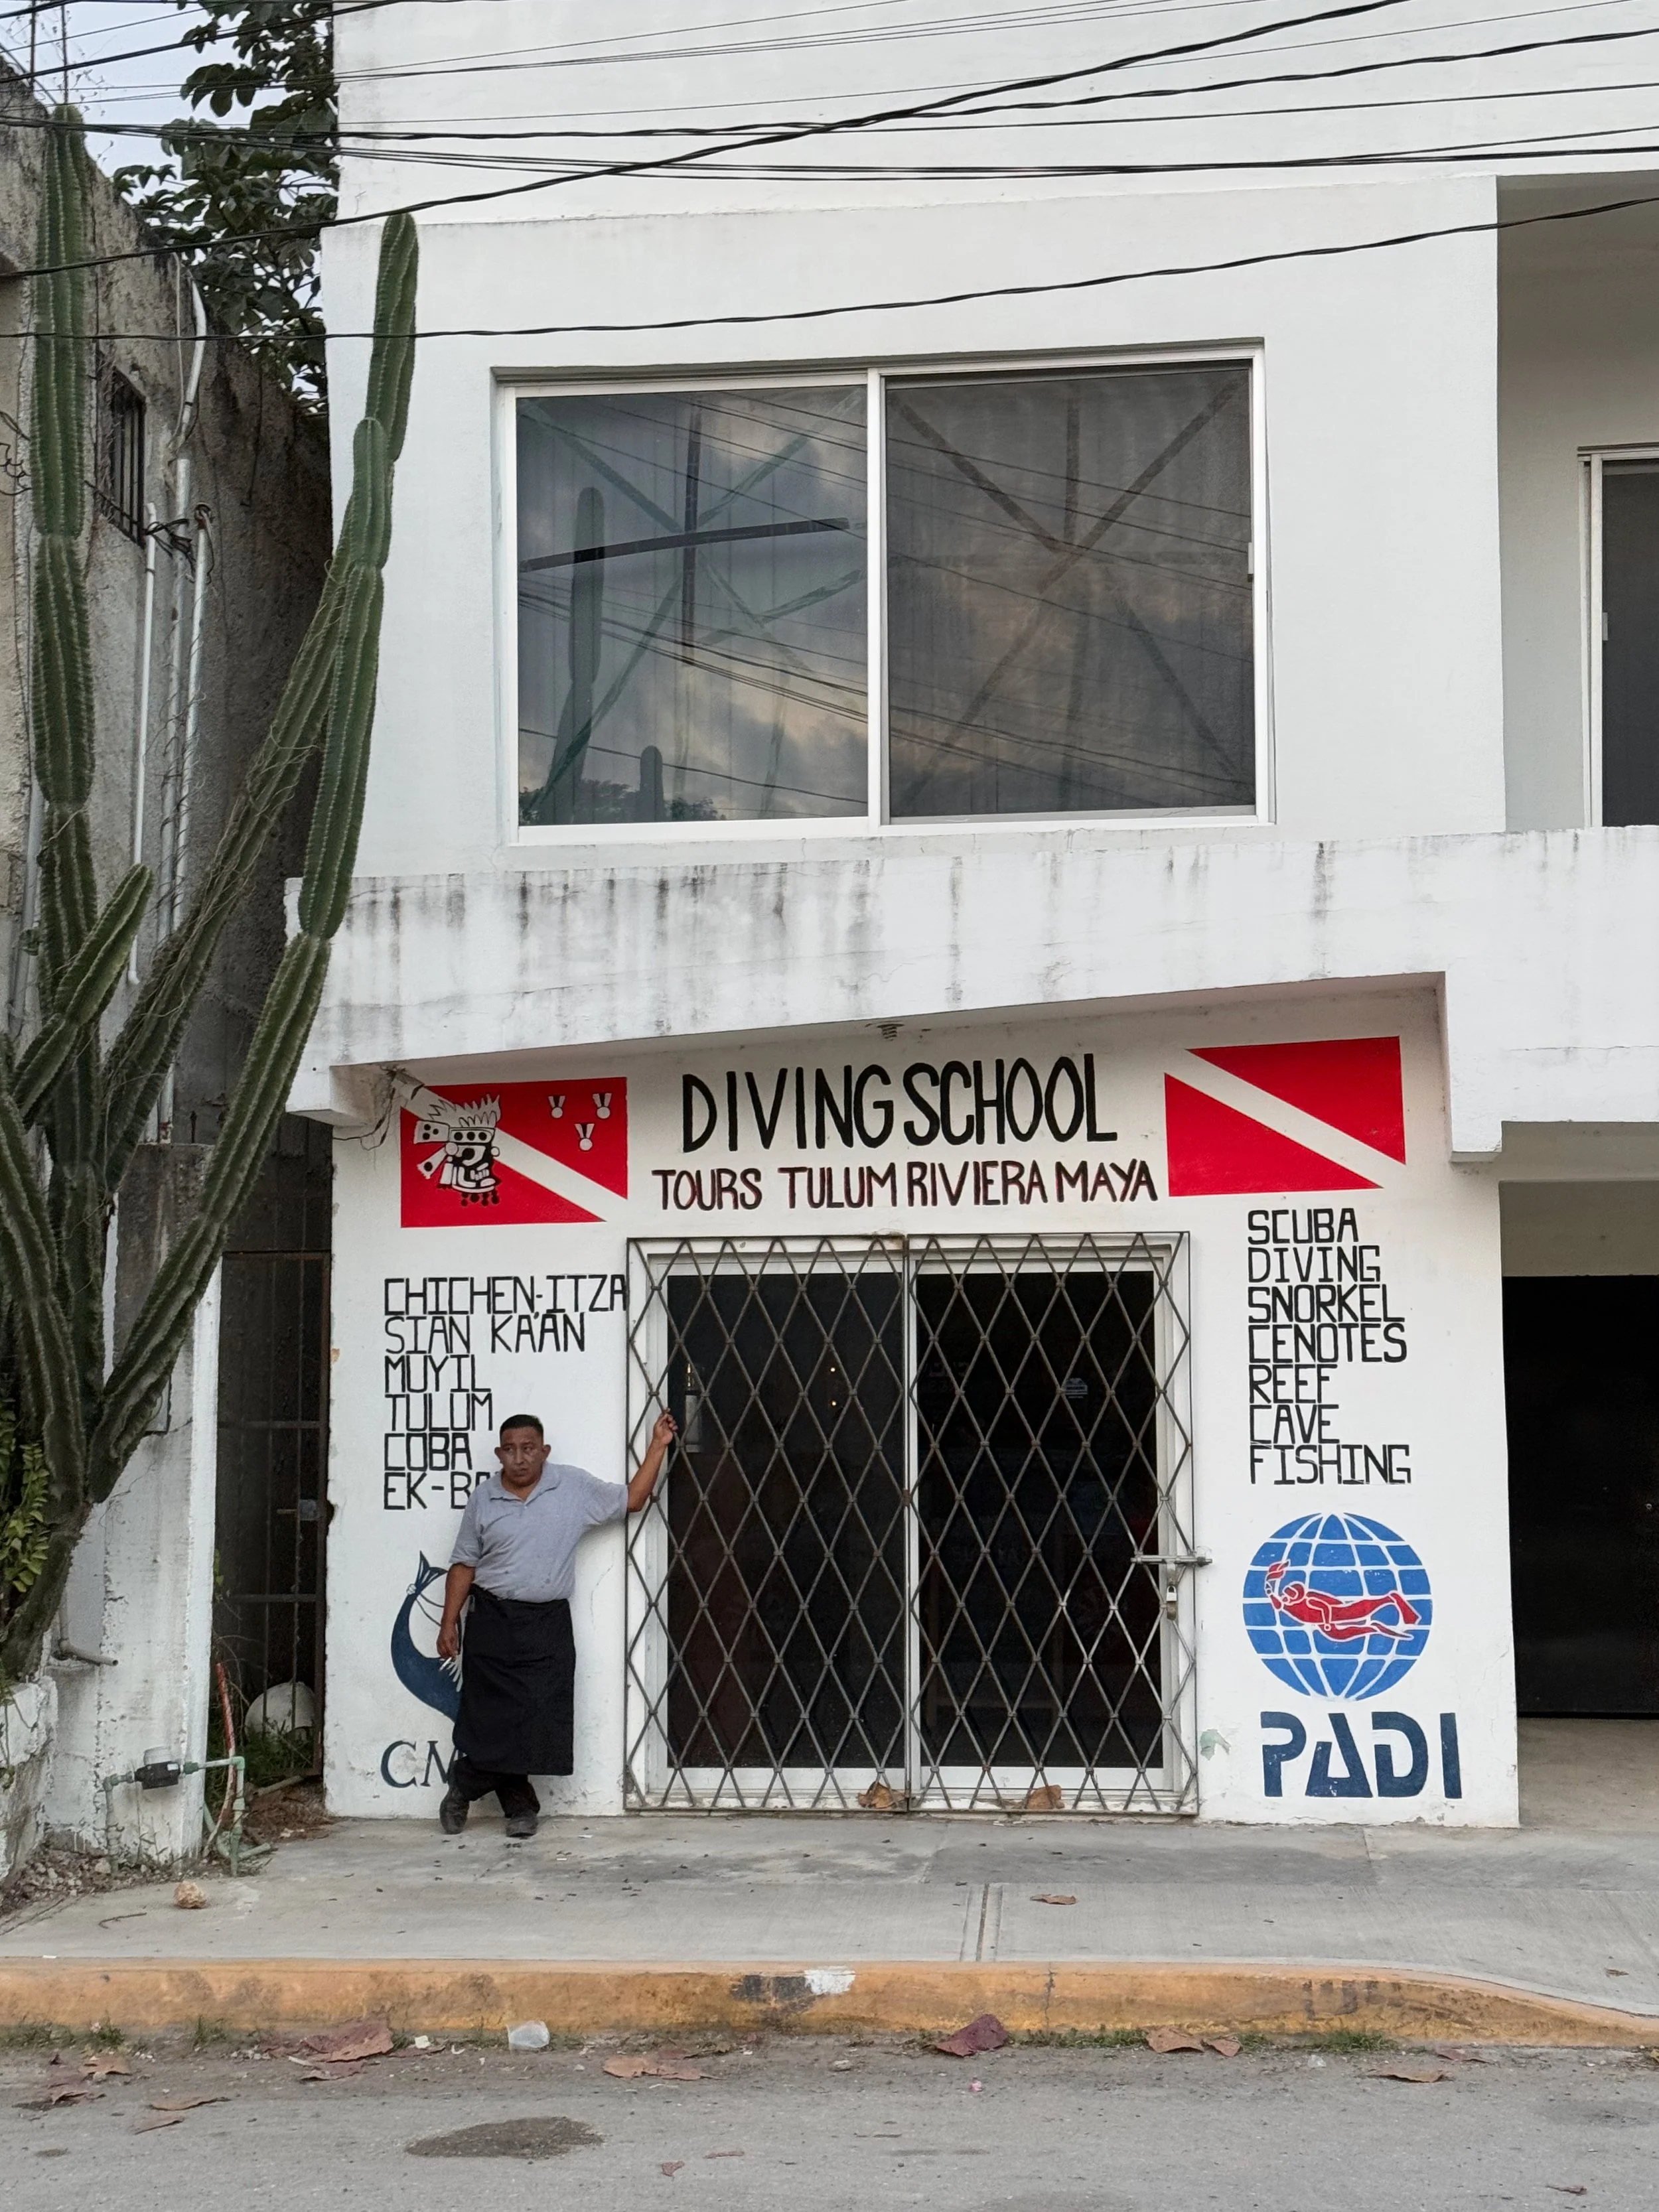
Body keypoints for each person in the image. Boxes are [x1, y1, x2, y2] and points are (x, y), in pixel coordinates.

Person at [435, 1409, 676, 1837]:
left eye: (529, 1449)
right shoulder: (484, 1499)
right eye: (510, 1450)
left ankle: (464, 1786)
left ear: (544, 1451)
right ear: (499, 1454)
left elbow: (632, 1499)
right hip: (492, 1617)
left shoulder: (573, 1487)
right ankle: (521, 1808)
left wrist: (658, 1446)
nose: (520, 1458)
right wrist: (448, 1622)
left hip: (547, 1621)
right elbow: (463, 1563)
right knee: (492, 1718)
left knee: (539, 1718)